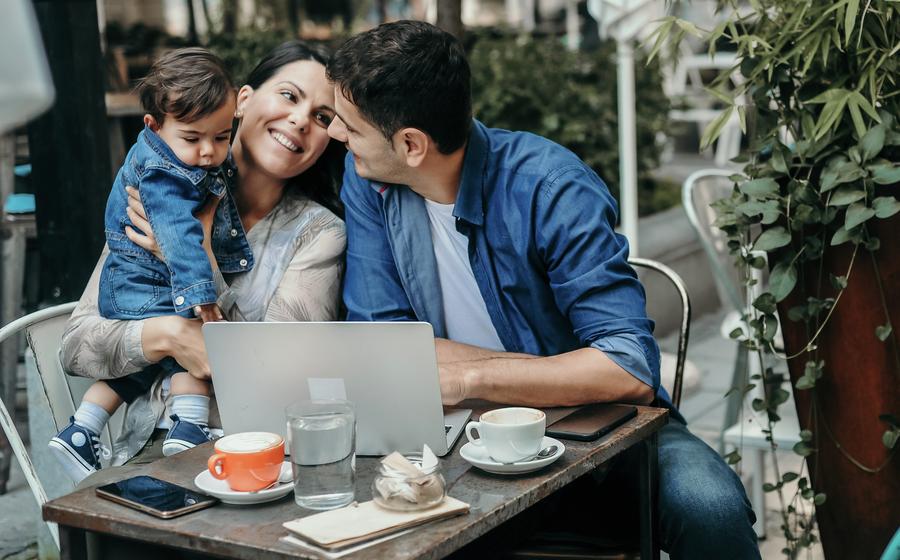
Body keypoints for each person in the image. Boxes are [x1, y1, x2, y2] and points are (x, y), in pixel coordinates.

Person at [326, 21, 760, 559]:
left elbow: (627, 368)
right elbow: (383, 341)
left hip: (596, 434)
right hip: (454, 438)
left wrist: (470, 376)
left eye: (348, 125)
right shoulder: (369, 180)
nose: (335, 136)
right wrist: (548, 372)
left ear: (412, 144)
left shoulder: (551, 186)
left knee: (708, 507)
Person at [59, 40, 347, 472]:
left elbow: (282, 376)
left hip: (245, 458)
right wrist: (171, 335)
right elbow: (77, 345)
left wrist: (201, 257)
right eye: (289, 95)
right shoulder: (158, 190)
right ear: (243, 101)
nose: (300, 120)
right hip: (133, 460)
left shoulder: (319, 234)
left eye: (322, 117)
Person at [50, 48, 246, 483]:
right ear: (154, 126)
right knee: (189, 347)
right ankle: (189, 426)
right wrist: (201, 295)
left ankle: (82, 429)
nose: (209, 152)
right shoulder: (165, 174)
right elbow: (177, 233)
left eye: (221, 136)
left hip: (130, 282)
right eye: (193, 139)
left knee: (143, 366)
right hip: (147, 280)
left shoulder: (172, 154)